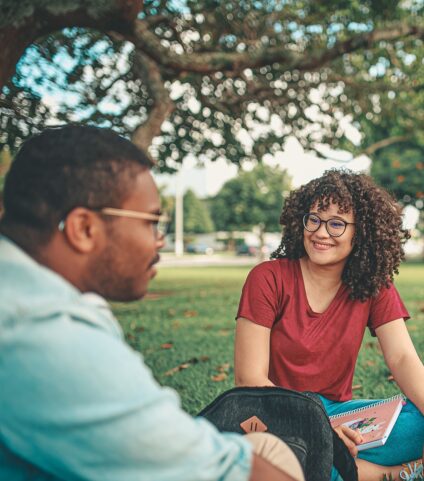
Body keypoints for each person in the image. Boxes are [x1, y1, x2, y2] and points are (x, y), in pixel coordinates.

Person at [0, 125, 303, 481]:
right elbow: (230, 472)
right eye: (151, 222)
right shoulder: (45, 334)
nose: (159, 240)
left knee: (266, 447)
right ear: (84, 228)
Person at [234, 170, 424, 481]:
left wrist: (332, 428)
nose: (321, 232)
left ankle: (336, 468)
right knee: (280, 458)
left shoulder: (374, 285)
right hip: (277, 416)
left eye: (336, 223)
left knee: (418, 417)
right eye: (314, 219)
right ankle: (390, 474)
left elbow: (403, 359)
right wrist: (321, 431)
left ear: (360, 232)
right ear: (301, 221)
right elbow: (249, 379)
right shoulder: (267, 278)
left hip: (341, 415)